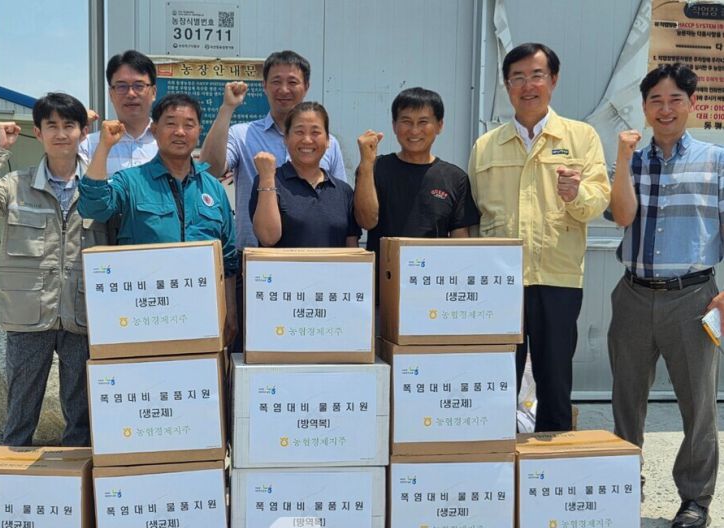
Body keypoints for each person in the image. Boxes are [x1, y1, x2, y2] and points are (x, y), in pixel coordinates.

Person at [468, 42, 610, 432]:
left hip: (557, 277)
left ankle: (552, 468)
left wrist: (575, 194)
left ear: (553, 80)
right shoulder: (486, 146)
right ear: (506, 86)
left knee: (554, 380)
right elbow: (478, 211)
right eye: (517, 78)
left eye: (536, 75)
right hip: (500, 281)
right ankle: (497, 460)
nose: (527, 85)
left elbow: (599, 200)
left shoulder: (581, 138)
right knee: (497, 378)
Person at [608, 63, 722, 528]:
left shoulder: (715, 161)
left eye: (676, 99)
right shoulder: (629, 158)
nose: (666, 108)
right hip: (633, 294)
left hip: (694, 296)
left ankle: (695, 499)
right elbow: (618, 217)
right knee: (625, 398)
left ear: (692, 105)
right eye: (656, 100)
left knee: (697, 404)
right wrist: (618, 161)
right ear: (645, 107)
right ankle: (619, 485)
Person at [0, 93, 107, 446]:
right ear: (38, 133)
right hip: (27, 316)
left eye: (69, 125)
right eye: (51, 126)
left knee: (82, 414)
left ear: (82, 132)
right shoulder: (16, 185)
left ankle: (77, 489)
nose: (60, 134)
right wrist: (0, 152)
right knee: (20, 411)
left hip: (82, 314)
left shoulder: (99, 187)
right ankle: (15, 478)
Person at [77, 93, 239, 345]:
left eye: (189, 125)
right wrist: (105, 146)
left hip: (203, 317)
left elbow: (228, 258)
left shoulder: (213, 189)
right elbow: (93, 207)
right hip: (143, 315)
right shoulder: (130, 181)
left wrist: (231, 315)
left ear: (199, 131)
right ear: (154, 130)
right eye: (171, 123)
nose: (180, 132)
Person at [199, 49, 346, 251]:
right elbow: (209, 169)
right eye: (276, 82)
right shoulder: (242, 135)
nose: (284, 90)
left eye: (293, 82)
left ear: (306, 87)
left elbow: (340, 206)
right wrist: (227, 109)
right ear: (264, 86)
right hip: (254, 259)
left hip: (315, 259)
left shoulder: (328, 144)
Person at [354, 87, 480, 270]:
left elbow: (460, 239)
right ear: (394, 125)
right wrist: (366, 162)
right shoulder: (374, 168)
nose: (414, 131)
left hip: (434, 283)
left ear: (439, 125)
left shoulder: (455, 178)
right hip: (384, 282)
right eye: (406, 121)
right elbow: (366, 221)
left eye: (423, 122)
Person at [250, 102, 360, 247]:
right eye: (299, 132)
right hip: (282, 270)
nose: (307, 140)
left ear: (328, 141)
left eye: (315, 132)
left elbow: (352, 250)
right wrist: (267, 179)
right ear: (286, 139)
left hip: (333, 270)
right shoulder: (268, 181)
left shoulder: (343, 191)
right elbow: (267, 238)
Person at [80, 50, 158, 175]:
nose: (131, 94)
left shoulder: (168, 142)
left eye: (139, 86)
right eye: (122, 86)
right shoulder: (88, 146)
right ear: (111, 94)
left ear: (153, 92)